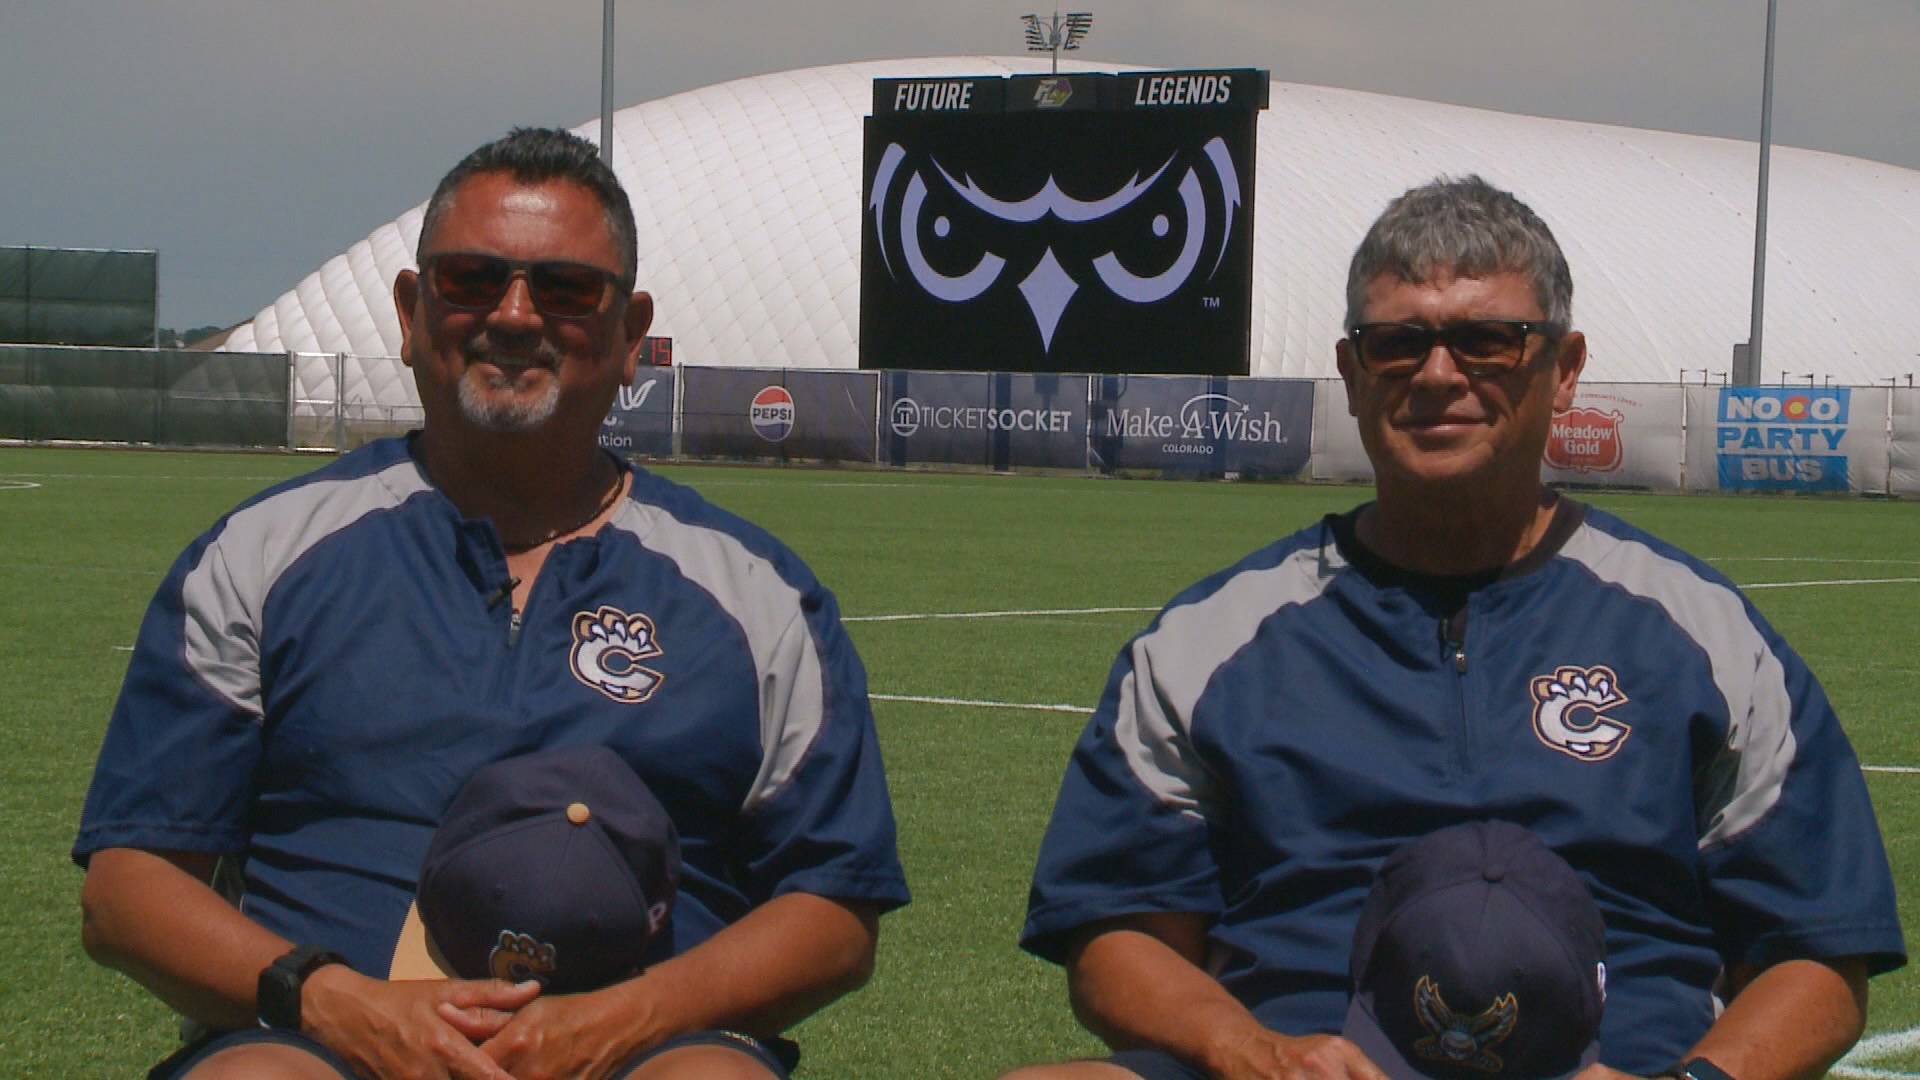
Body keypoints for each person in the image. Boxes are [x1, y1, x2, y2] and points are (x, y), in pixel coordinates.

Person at [1008, 175, 1903, 1080]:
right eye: (1398, 344)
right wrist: (1252, 1049)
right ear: (1353, 373)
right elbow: (1118, 930)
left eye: (1487, 340)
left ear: (1564, 370)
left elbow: (1817, 951)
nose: (1440, 375)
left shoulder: (1701, 636)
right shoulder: (1211, 643)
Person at [74, 126, 909, 1080]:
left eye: (564, 291)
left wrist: (626, 1021)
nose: (515, 316)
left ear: (632, 335)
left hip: (648, 1054)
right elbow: (126, 887)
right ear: (409, 310)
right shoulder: (263, 556)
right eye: (471, 280)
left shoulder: (755, 595)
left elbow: (837, 913)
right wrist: (340, 1005)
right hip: (320, 1044)